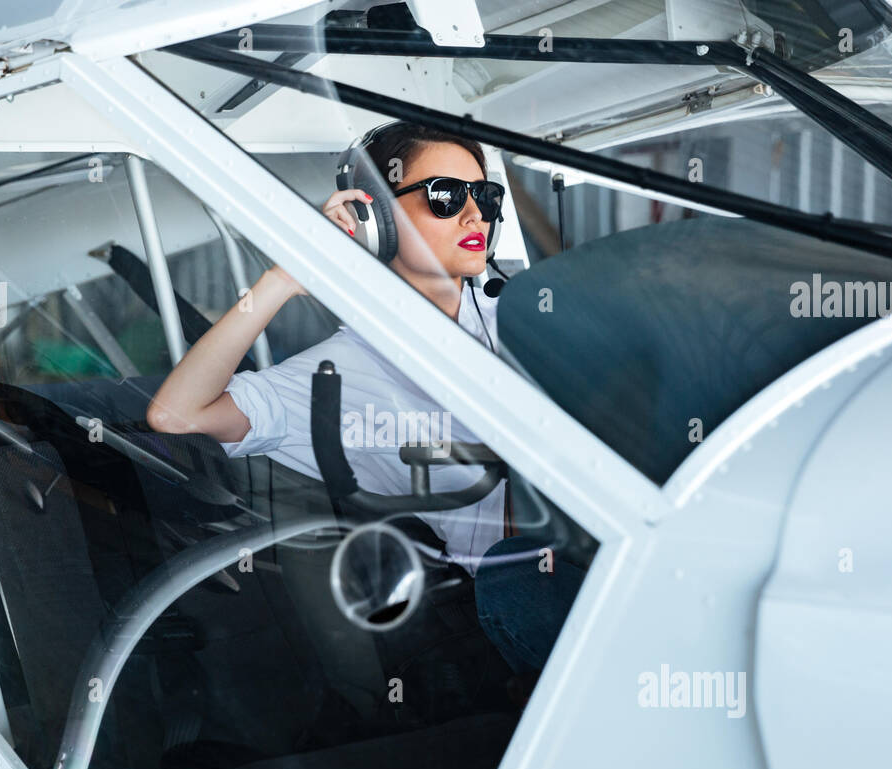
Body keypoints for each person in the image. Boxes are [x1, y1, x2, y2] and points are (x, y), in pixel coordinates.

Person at [146, 122, 580, 682]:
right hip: (528, 592)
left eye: (485, 195)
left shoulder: (525, 313)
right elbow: (176, 414)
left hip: (613, 537)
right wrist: (283, 277)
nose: (477, 215)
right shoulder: (335, 374)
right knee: (515, 579)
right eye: (447, 196)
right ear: (376, 219)